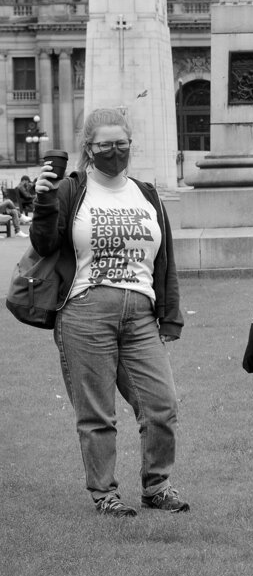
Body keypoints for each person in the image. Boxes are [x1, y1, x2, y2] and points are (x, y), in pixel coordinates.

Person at [29, 108, 186, 518]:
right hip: (85, 310)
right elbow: (45, 245)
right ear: (88, 149)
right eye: (104, 146)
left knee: (161, 404)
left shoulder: (147, 194)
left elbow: (164, 259)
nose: (114, 152)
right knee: (97, 412)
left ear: (131, 146)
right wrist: (45, 201)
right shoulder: (71, 190)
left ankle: (157, 486)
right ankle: (105, 494)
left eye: (121, 145)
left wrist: (169, 315)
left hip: (140, 312)